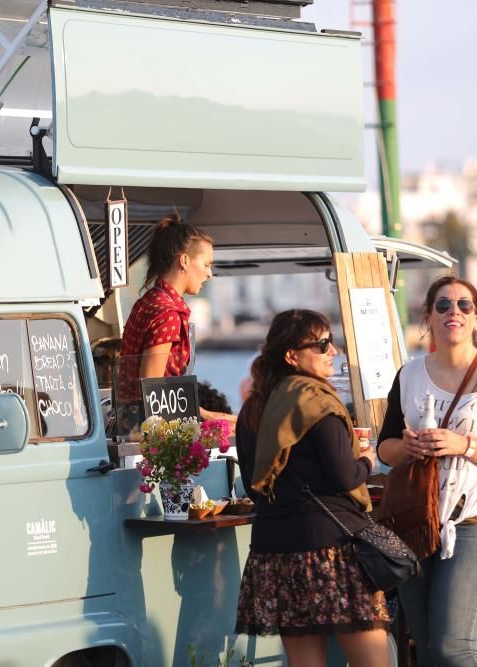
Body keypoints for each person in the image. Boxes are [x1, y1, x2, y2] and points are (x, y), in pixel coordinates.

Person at [376, 276, 477, 667]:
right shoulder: (408, 376)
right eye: (442, 305)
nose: (453, 312)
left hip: (476, 523)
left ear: (476, 319)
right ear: (428, 317)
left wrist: (464, 445)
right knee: (426, 654)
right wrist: (408, 447)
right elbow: (384, 448)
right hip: (416, 525)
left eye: (464, 305)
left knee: (451, 650)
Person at [234, 309, 391, 667]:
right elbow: (344, 477)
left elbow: (252, 485)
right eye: (321, 345)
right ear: (292, 356)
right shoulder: (316, 402)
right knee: (375, 662)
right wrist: (368, 460)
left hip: (275, 552)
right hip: (328, 550)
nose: (332, 351)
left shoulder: (253, 408)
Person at [116, 213, 232, 424]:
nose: (209, 274)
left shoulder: (148, 301)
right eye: (206, 264)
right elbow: (152, 387)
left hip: (131, 423)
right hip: (156, 430)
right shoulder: (168, 313)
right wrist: (208, 415)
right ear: (185, 261)